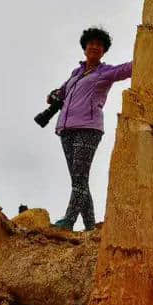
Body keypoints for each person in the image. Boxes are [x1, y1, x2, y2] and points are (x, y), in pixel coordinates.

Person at [47, 26, 132, 232]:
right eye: (91, 43)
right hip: (66, 129)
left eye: (99, 45)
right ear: (85, 47)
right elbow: (61, 92)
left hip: (89, 128)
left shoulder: (105, 72)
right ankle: (90, 227)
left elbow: (128, 68)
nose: (95, 46)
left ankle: (68, 221)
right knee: (79, 179)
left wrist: (151, 49)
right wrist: (54, 95)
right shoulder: (75, 74)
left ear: (104, 51)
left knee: (79, 178)